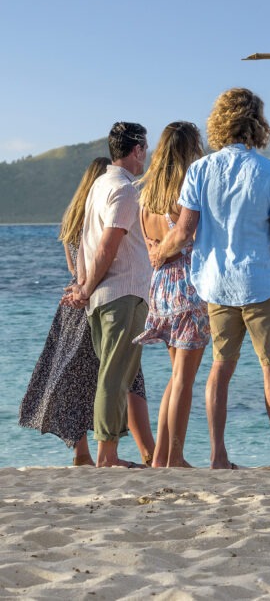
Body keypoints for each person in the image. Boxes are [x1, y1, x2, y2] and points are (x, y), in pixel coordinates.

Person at [150, 88, 270, 470]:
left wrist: (158, 253)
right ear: (257, 124)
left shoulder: (200, 170)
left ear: (220, 123)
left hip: (216, 283)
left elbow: (182, 233)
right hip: (261, 281)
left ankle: (218, 455)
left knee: (221, 367)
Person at [19, 158, 153, 466]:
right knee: (127, 378)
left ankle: (83, 454)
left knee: (76, 378)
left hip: (75, 302)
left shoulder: (74, 218)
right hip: (103, 296)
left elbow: (72, 266)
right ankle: (149, 451)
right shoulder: (109, 209)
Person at [68, 122, 154, 468]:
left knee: (114, 373)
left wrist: (84, 286)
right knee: (115, 375)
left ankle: (109, 451)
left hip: (105, 296)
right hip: (121, 292)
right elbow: (106, 245)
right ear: (136, 150)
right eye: (145, 148)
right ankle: (108, 455)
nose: (145, 155)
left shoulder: (99, 186)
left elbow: (89, 245)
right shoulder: (124, 189)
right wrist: (86, 287)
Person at [133, 122, 210, 467]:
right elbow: (181, 236)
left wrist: (160, 252)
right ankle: (175, 456)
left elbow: (153, 247)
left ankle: (162, 456)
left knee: (176, 376)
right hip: (187, 283)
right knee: (184, 378)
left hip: (161, 286)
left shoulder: (147, 197)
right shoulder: (185, 192)